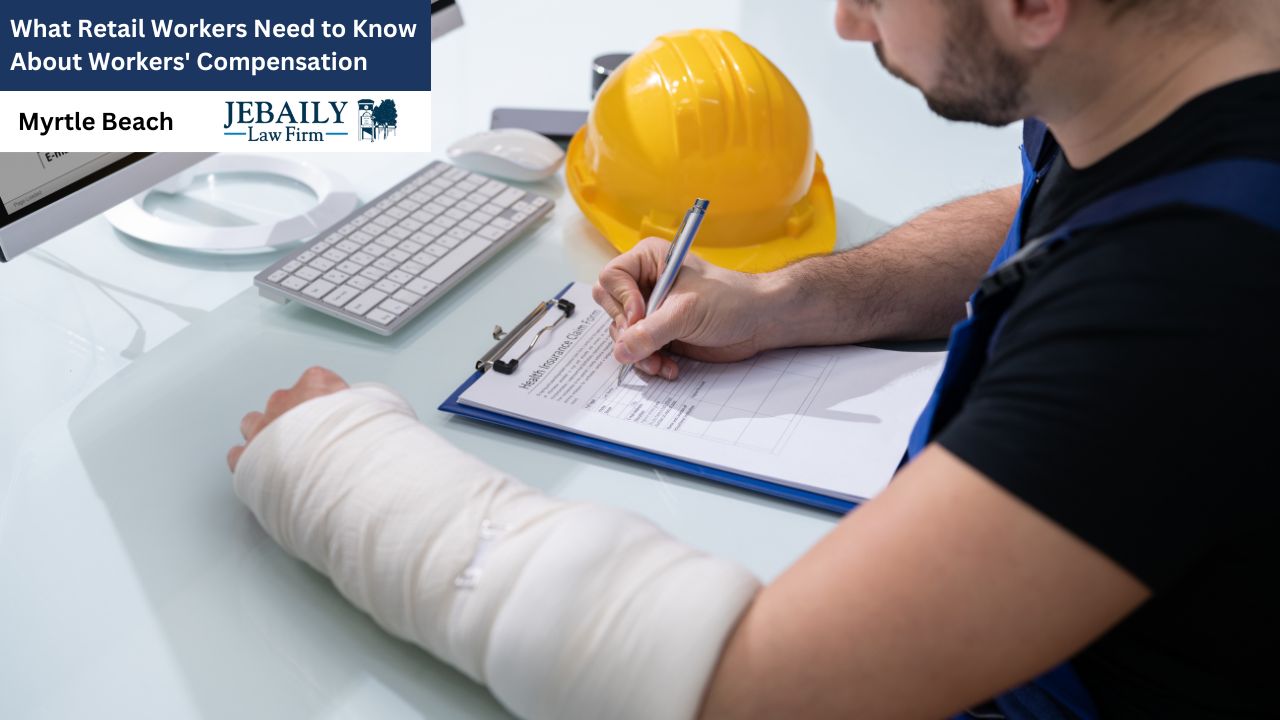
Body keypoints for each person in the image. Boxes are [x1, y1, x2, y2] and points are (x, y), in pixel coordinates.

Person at [227, 1, 1280, 717]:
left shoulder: (1186, 300)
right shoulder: (1186, 68)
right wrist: (797, 297)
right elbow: (1057, 206)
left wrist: (334, 462)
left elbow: (742, 688)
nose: (846, 20)